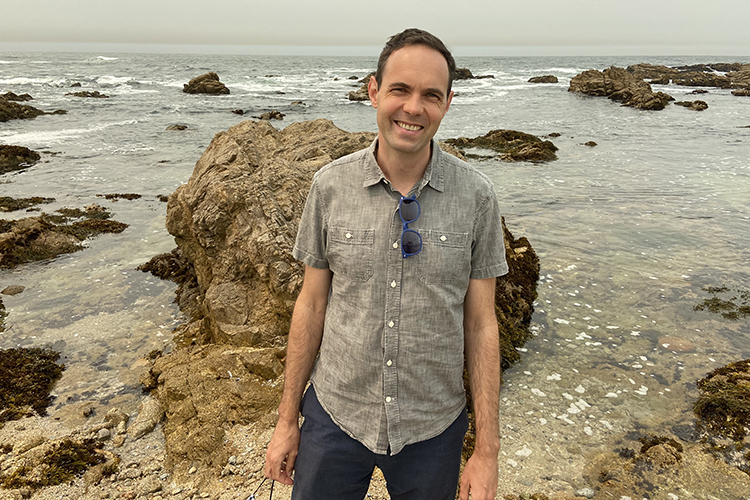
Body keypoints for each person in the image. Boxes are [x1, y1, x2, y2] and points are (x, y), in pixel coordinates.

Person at [264, 28, 508, 500]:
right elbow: (311, 306)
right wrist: (285, 421)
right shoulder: (329, 187)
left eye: (431, 95)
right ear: (374, 90)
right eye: (400, 89)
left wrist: (486, 452)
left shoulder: (477, 196)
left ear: (448, 103)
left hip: (433, 428)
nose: (414, 108)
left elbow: (481, 324)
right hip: (335, 416)